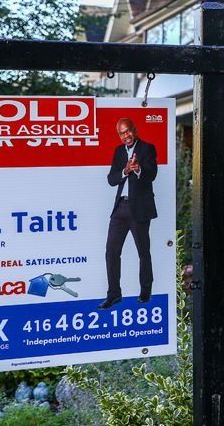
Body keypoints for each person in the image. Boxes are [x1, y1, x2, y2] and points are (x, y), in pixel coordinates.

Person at [99, 117, 158, 309]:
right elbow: (111, 179)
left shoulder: (147, 148)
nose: (126, 136)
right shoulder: (118, 151)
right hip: (120, 208)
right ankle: (114, 294)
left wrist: (138, 169)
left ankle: (145, 292)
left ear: (135, 129)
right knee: (111, 252)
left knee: (143, 252)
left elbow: (152, 175)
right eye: (122, 133)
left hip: (139, 207)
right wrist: (125, 171)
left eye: (128, 131)